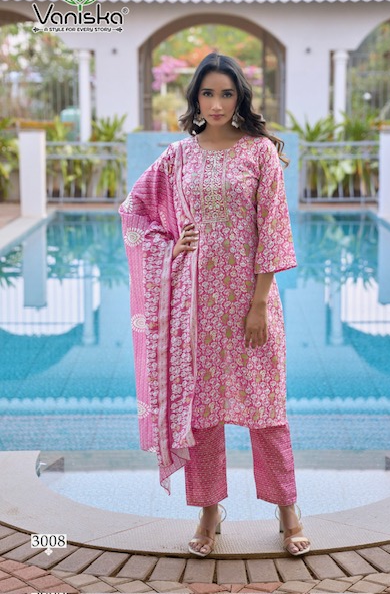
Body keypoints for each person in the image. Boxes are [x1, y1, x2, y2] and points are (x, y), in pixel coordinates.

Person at [119, 52, 310, 558]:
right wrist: (169, 244)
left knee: (267, 410)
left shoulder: (259, 153)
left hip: (250, 305)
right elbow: (136, 209)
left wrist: (259, 304)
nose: (218, 103)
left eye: (227, 93)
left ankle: (287, 509)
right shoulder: (178, 156)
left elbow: (273, 230)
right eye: (208, 93)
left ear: (240, 97)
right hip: (195, 307)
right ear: (196, 98)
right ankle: (208, 512)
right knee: (201, 415)